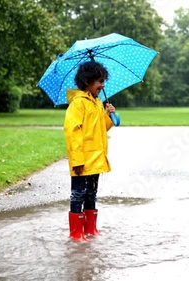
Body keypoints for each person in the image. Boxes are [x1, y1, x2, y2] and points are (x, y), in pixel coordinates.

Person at [63, 60, 116, 242]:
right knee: (78, 193)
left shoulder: (96, 102)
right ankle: (76, 232)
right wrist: (77, 159)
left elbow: (101, 128)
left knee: (91, 192)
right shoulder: (78, 103)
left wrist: (108, 115)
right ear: (88, 81)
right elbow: (72, 131)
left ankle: (90, 228)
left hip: (96, 158)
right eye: (99, 81)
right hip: (83, 159)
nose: (102, 85)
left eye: (103, 81)